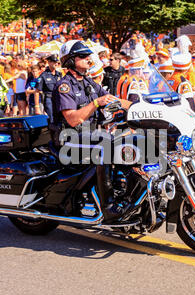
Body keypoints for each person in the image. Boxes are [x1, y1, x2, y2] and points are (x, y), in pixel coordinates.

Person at [51, 40, 131, 223]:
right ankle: (108, 205)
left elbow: (112, 100)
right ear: (70, 60)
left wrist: (138, 107)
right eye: (83, 56)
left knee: (127, 140)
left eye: (88, 56)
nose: (89, 59)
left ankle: (125, 192)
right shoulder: (65, 86)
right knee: (107, 145)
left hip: (89, 135)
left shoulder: (88, 82)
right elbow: (72, 119)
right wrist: (96, 103)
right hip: (68, 138)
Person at [37, 54, 62, 123]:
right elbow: (37, 90)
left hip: (59, 98)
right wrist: (37, 106)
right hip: (49, 99)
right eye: (54, 62)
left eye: (57, 62)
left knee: (60, 118)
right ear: (49, 62)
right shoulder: (43, 75)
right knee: (52, 119)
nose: (56, 64)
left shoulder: (59, 74)